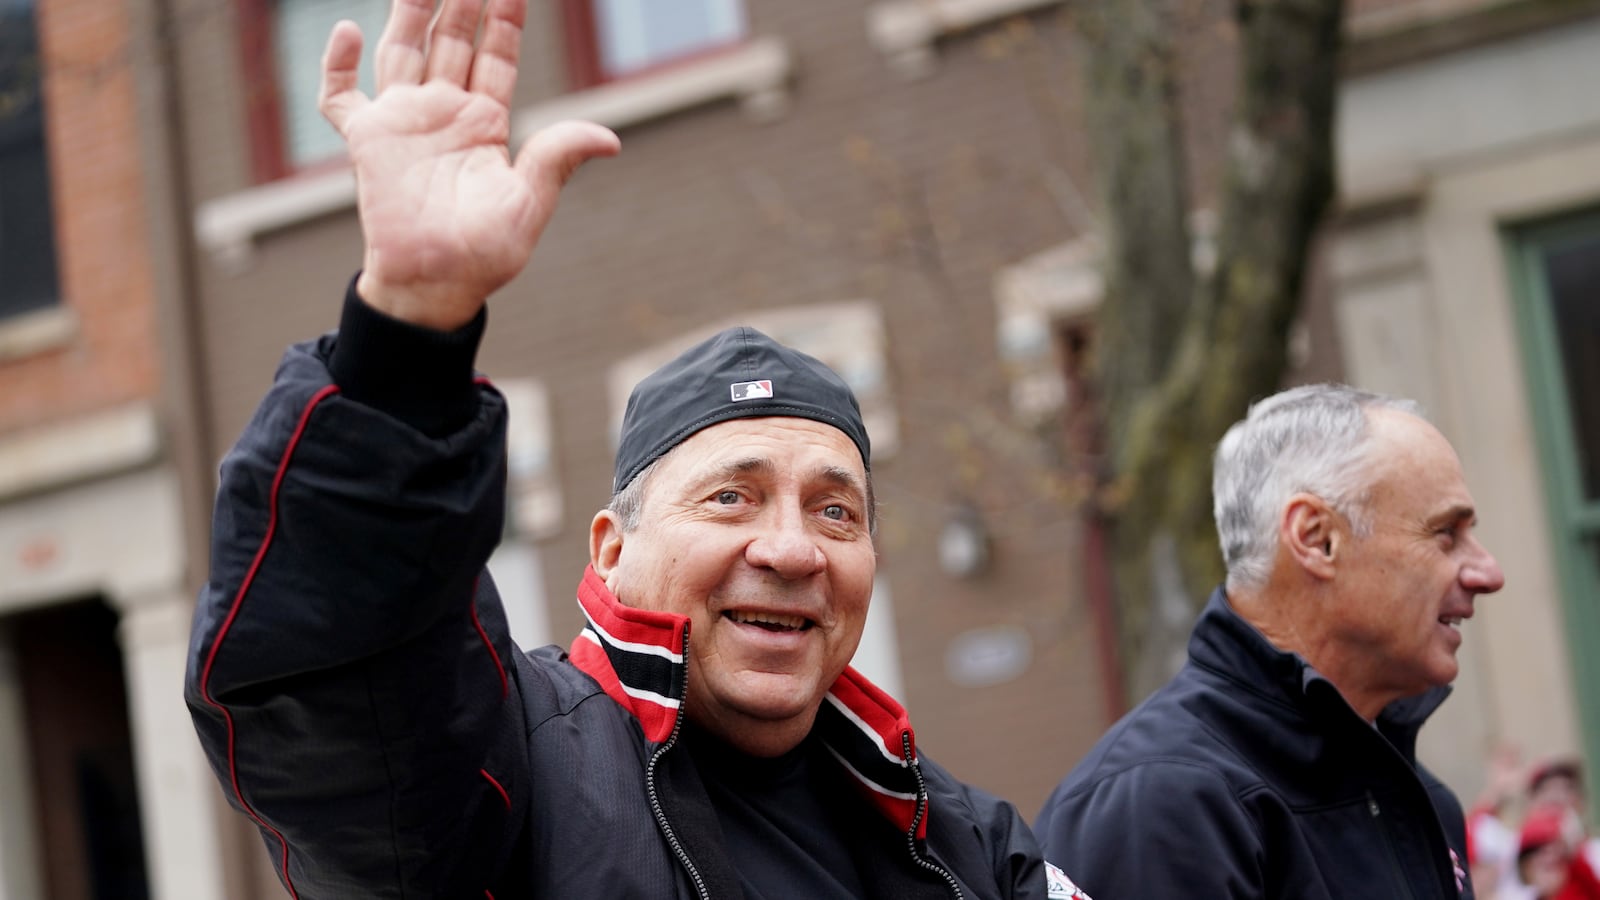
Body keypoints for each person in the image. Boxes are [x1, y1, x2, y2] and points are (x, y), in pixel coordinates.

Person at [182, 1, 1091, 897]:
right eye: (731, 497)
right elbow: (343, 701)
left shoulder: (961, 836)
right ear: (612, 553)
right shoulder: (515, 775)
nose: (792, 548)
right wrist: (407, 336)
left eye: (835, 510)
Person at [1033, 384, 1506, 898]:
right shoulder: (1157, 804)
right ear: (1316, 539)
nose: (1488, 572)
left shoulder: (1423, 803)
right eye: (1446, 534)